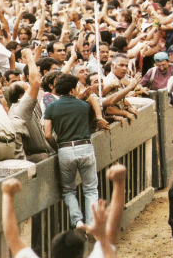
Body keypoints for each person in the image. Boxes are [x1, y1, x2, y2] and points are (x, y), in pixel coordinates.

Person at [44, 74, 99, 230]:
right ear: (73, 89)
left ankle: (77, 221)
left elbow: (47, 134)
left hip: (65, 149)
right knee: (90, 189)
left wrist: (58, 148)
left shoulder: (51, 107)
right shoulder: (84, 106)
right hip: (85, 146)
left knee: (68, 190)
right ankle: (92, 224)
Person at [9, 49, 54, 163]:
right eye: (27, 88)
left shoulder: (16, 107)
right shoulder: (23, 107)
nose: (31, 89)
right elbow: (35, 82)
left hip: (37, 156)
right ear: (21, 95)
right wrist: (29, 55)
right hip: (37, 158)